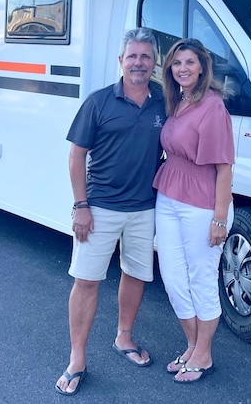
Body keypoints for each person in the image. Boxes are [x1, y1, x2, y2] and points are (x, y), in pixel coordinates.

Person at [55, 28, 166, 396]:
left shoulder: (164, 102)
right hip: (99, 208)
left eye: (145, 57)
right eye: (132, 56)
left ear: (154, 63)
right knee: (86, 281)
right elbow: (76, 155)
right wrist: (81, 206)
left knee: (135, 275)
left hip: (144, 208)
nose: (138, 63)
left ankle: (124, 338)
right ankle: (77, 359)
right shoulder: (99, 102)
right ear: (121, 61)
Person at [152, 38, 235, 384]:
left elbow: (225, 168)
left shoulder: (213, 106)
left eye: (189, 62)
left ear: (202, 67)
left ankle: (203, 353)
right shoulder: (177, 101)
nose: (183, 68)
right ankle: (192, 343)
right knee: (173, 279)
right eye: (176, 63)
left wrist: (219, 218)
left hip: (202, 204)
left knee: (201, 279)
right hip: (169, 195)